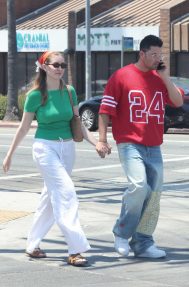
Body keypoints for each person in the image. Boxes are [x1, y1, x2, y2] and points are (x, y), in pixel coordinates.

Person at [3, 51, 99, 267]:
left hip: (67, 148)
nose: (60, 68)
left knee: (49, 198)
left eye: (63, 65)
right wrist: (9, 154)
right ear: (44, 67)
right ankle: (76, 248)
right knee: (66, 192)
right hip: (45, 148)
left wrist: (97, 143)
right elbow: (24, 126)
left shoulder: (69, 91)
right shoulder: (35, 95)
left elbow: (78, 122)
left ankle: (32, 244)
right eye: (56, 64)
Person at [96, 35, 183, 259]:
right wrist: (102, 139)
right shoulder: (122, 76)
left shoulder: (159, 78)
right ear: (142, 54)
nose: (157, 59)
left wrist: (165, 78)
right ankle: (122, 232)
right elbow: (105, 111)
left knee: (153, 194)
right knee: (138, 186)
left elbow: (178, 101)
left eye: (160, 55)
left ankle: (143, 243)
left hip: (154, 145)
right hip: (129, 143)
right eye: (153, 54)